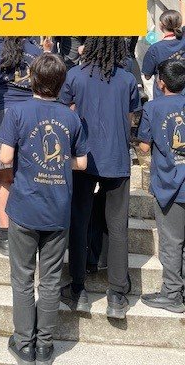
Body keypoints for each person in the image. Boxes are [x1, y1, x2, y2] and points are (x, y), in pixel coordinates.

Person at [0, 54, 88, 365]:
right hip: (58, 209)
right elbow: (82, 163)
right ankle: (45, 345)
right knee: (50, 280)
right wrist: (60, 163)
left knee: (22, 278)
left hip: (25, 206)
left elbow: (5, 158)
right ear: (62, 84)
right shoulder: (72, 118)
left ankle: (24, 343)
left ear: (32, 79)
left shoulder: (17, 112)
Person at [60, 37, 140, 320]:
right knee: (118, 227)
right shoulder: (127, 79)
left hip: (82, 158)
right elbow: (132, 116)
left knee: (78, 221)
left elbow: (64, 112)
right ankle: (116, 294)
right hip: (116, 157)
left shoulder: (74, 75)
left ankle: (78, 288)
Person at [0, 37, 43, 256]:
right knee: (30, 176)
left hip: (4, 115)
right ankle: (30, 234)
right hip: (32, 116)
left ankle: (5, 237)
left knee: (4, 178)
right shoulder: (37, 52)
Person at [138, 58, 185, 314]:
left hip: (169, 184)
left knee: (171, 242)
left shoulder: (153, 108)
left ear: (161, 82)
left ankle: (172, 293)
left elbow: (145, 146)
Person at [142, 0, 185, 98]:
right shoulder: (183, 39)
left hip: (163, 95)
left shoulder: (155, 48)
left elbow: (147, 76)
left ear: (161, 25)